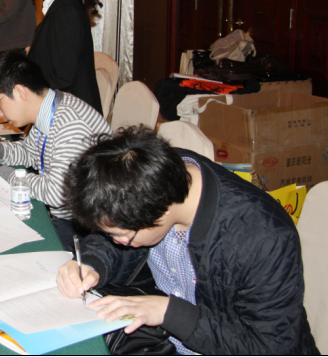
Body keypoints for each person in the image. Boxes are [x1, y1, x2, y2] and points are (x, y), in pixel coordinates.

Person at [56, 127, 319, 355]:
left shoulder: (262, 238)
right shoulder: (153, 177)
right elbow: (117, 229)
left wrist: (170, 313)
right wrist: (91, 263)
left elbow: (270, 347)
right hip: (166, 337)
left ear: (160, 212)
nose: (116, 241)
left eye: (120, 235)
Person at [0, 50, 111, 250]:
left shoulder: (70, 125)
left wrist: (1, 173)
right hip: (65, 216)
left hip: (84, 228)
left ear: (20, 92)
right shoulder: (50, 109)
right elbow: (29, 153)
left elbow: (57, 193)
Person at [23, 0, 103, 115]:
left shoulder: (66, 10)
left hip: (74, 117)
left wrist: (27, 91)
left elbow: (63, 77)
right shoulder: (63, 3)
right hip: (66, 110)